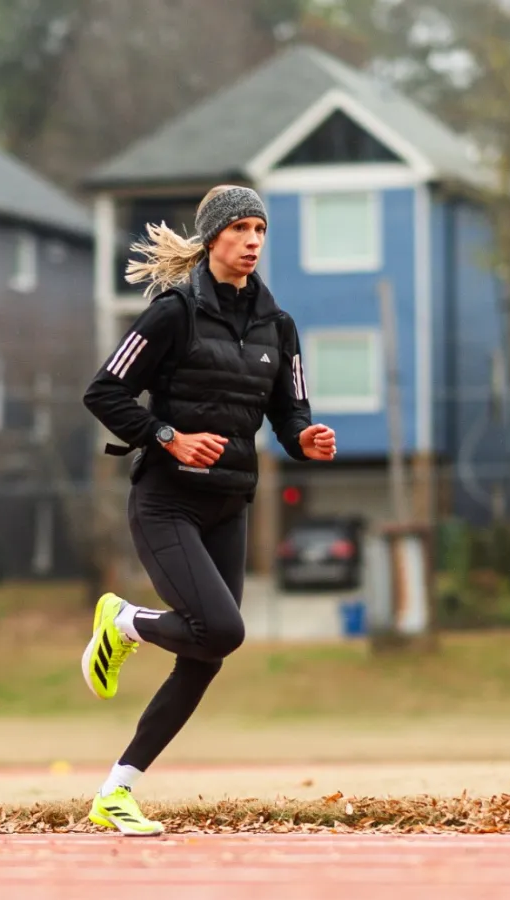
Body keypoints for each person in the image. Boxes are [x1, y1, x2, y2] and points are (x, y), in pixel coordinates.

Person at [80, 185, 337, 836]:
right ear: (213, 237)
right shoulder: (173, 313)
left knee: (205, 652)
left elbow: (289, 412)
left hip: (230, 503)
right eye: (242, 228)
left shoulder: (278, 324)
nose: (253, 240)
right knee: (222, 630)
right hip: (166, 502)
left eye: (261, 228)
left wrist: (304, 439)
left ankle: (116, 792)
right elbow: (104, 391)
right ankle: (125, 621)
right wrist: (168, 437)